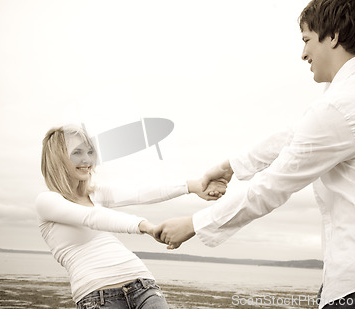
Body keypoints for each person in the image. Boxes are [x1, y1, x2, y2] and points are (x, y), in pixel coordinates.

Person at [155, 0, 355, 309]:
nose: (303, 54)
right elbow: (297, 133)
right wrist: (230, 166)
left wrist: (193, 224)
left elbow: (273, 187)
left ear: (334, 36)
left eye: (306, 40)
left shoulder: (343, 107)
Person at [36, 124, 226, 309]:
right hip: (96, 295)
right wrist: (146, 226)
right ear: (57, 158)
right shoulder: (47, 202)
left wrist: (194, 186)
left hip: (143, 286)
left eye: (89, 152)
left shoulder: (96, 194)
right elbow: (92, 217)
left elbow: (140, 192)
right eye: (77, 152)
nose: (87, 159)